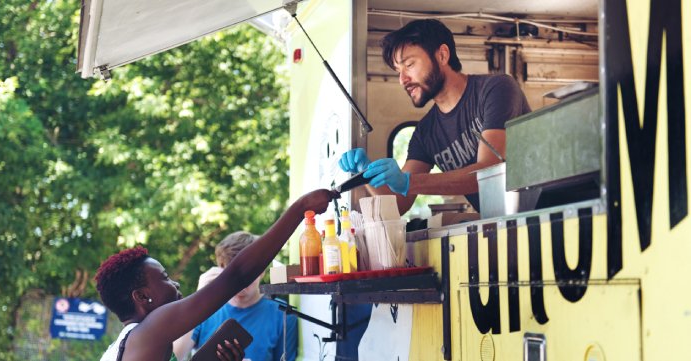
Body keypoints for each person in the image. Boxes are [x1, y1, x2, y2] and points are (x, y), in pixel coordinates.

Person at [96, 189, 338, 361]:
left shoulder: (135, 341)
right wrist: (299, 209)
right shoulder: (149, 331)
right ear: (142, 296)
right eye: (166, 277)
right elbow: (238, 274)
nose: (176, 282)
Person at [339, 19, 531, 215]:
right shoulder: (426, 133)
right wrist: (366, 174)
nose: (402, 80)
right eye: (398, 71)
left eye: (409, 65)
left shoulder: (496, 89)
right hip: (500, 225)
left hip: (545, 215)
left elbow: (489, 172)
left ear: (442, 55)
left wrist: (408, 182)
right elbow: (398, 203)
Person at [173, 231, 298, 361]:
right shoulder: (204, 310)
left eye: (249, 272)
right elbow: (174, 357)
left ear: (262, 270)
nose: (241, 282)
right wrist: (198, 299)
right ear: (221, 270)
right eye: (234, 273)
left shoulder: (283, 315)